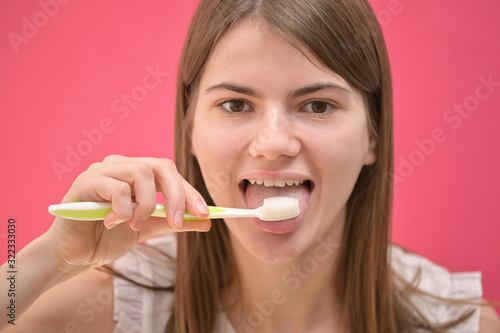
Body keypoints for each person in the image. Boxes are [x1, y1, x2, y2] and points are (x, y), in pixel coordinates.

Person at [2, 0, 499, 332]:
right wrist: (51, 258)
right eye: (237, 105)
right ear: (190, 129)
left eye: (319, 105)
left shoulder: (457, 323)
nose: (274, 143)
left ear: (373, 134)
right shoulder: (111, 309)